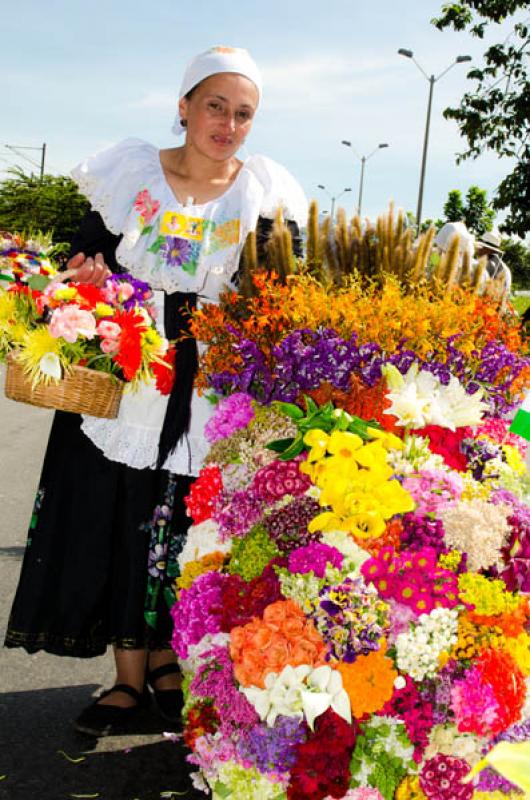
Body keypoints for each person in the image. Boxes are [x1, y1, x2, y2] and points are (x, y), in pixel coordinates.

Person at [4, 45, 307, 736]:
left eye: (243, 114)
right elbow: (87, 258)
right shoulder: (131, 176)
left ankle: (172, 668)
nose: (227, 124)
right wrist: (83, 281)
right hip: (126, 378)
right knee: (116, 519)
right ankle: (127, 679)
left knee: (182, 527)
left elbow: (278, 291)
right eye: (214, 106)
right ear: (183, 106)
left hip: (209, 384)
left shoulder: (261, 196)